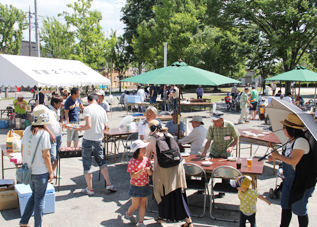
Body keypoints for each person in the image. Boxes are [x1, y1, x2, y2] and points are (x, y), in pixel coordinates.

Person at [268, 114, 316, 227]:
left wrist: (278, 156)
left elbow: (294, 160)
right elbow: (287, 158)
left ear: (292, 129)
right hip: (289, 180)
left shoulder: (301, 141)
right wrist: (274, 157)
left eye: (285, 127)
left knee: (299, 208)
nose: (283, 129)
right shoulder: (290, 141)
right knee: (285, 206)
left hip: (301, 181)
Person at [146, 120, 194, 227]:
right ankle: (188, 220)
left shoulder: (151, 139)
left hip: (163, 169)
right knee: (179, 193)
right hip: (177, 167)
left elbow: (147, 157)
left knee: (161, 192)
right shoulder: (169, 135)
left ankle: (161, 216)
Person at [75, 93, 116, 195]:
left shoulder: (87, 109)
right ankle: (109, 184)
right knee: (101, 161)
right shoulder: (102, 110)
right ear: (97, 100)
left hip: (88, 138)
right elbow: (105, 125)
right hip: (98, 139)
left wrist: (78, 128)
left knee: (87, 163)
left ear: (89, 100)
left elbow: (88, 125)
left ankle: (90, 188)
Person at [19, 105, 54, 227]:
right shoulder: (44, 134)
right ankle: (37, 225)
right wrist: (51, 172)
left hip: (30, 171)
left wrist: (26, 163)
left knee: (34, 196)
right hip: (41, 173)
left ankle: (23, 222)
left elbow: (22, 149)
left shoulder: (27, 129)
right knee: (39, 201)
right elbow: (47, 156)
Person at [125, 140, 153, 227]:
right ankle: (129, 213)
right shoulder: (132, 162)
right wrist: (140, 172)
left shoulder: (147, 160)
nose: (145, 150)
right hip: (135, 187)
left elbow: (151, 173)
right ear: (137, 151)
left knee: (143, 204)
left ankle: (141, 222)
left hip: (145, 185)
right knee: (135, 205)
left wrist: (149, 171)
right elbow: (132, 176)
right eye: (143, 149)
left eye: (145, 148)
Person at [45, 95, 63, 178]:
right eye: (59, 103)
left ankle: (53, 172)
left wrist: (62, 125)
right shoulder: (47, 111)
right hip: (51, 136)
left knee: (57, 156)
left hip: (59, 134)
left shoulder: (57, 110)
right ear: (54, 103)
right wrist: (51, 134)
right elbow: (44, 124)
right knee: (52, 156)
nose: (61, 104)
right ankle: (48, 173)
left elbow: (56, 123)